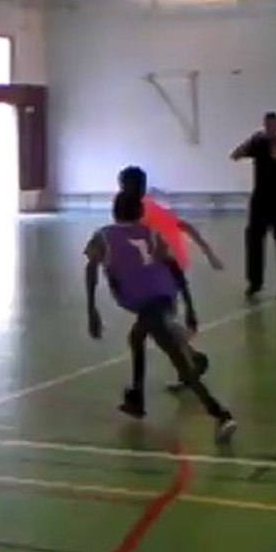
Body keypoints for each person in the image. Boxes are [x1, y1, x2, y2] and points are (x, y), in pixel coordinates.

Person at [84, 191, 238, 443]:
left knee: (179, 362)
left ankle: (221, 414)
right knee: (136, 337)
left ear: (114, 212)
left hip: (147, 303)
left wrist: (92, 309)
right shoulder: (151, 233)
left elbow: (90, 268)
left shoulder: (103, 236)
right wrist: (189, 306)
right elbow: (174, 268)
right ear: (140, 213)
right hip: (165, 297)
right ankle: (136, 397)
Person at [118, 165, 221, 393]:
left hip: (162, 277)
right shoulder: (130, 210)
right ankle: (193, 359)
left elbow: (179, 233)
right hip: (151, 277)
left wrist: (207, 253)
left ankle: (186, 372)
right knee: (161, 327)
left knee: (150, 329)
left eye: (126, 185)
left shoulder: (147, 213)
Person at [231, 112, 276, 301]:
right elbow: (235, 156)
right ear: (264, 125)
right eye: (268, 125)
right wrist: (248, 143)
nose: (271, 128)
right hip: (260, 198)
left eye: (274, 125)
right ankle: (254, 282)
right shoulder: (258, 143)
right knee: (254, 240)